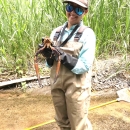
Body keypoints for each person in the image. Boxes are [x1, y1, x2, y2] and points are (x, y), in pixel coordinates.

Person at [40, 0, 96, 129]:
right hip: (57, 84)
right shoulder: (56, 32)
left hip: (77, 87)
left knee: (78, 124)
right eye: (70, 7)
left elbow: (84, 66)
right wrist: (48, 56)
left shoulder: (87, 34)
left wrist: (63, 56)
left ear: (85, 12)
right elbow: (49, 65)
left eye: (78, 9)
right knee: (62, 121)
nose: (72, 12)